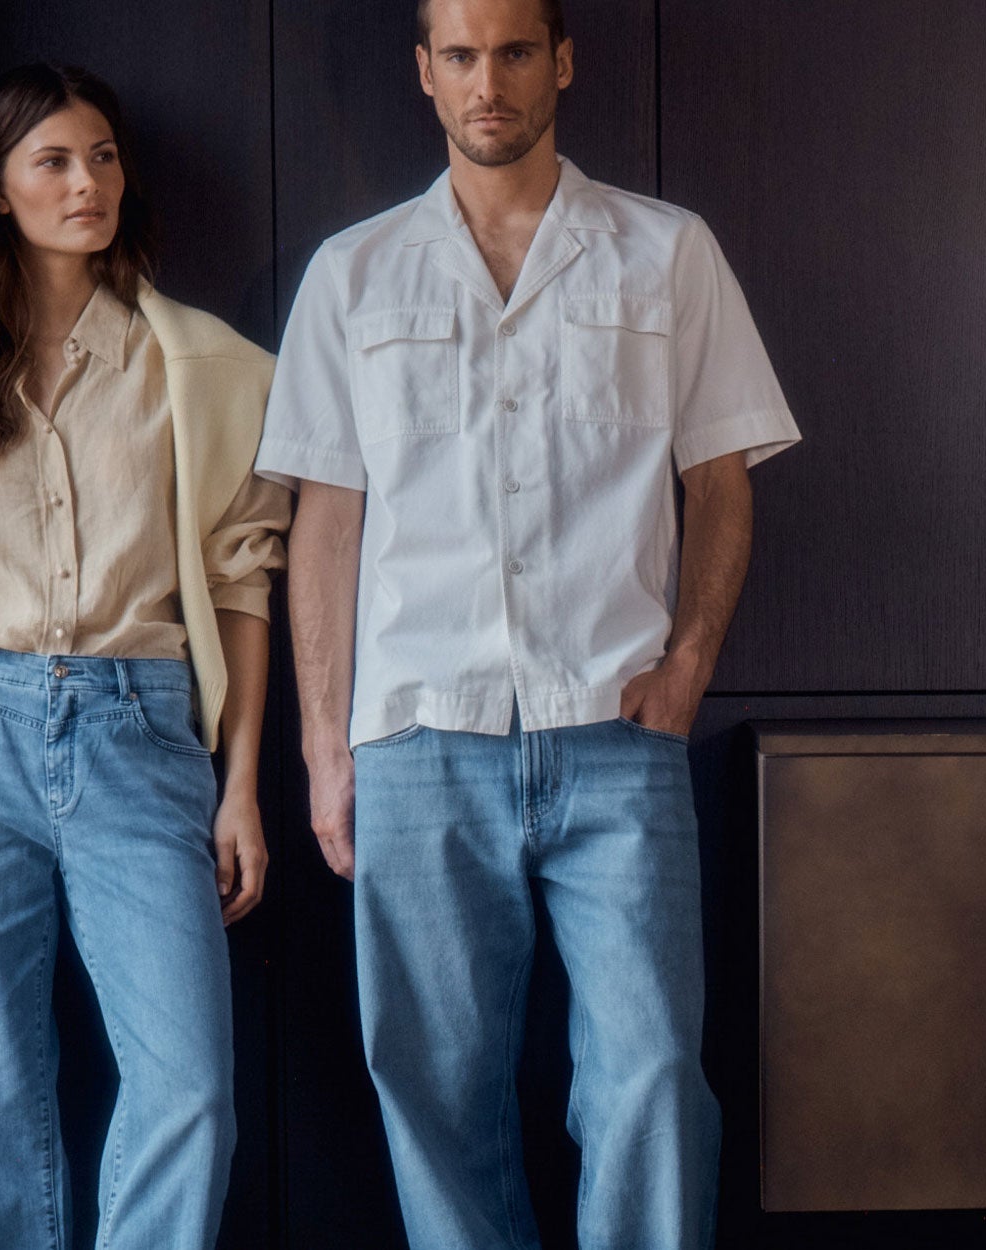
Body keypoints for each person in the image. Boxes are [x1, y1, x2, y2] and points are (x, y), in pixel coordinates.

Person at [255, 0, 800, 1243]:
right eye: (460, 55)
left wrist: (690, 664)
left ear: (560, 61)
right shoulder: (354, 272)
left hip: (616, 734)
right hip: (419, 737)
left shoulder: (667, 252)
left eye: (511, 51)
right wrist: (324, 745)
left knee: (654, 1079)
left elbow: (720, 476)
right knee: (433, 1087)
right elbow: (324, 523)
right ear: (424, 74)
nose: (486, 81)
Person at [0, 63, 290, 1250]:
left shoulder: (202, 368)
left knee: (189, 1080)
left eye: (101, 156)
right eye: (52, 160)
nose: (85, 181)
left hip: (139, 727)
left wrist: (240, 785)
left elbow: (245, 578)